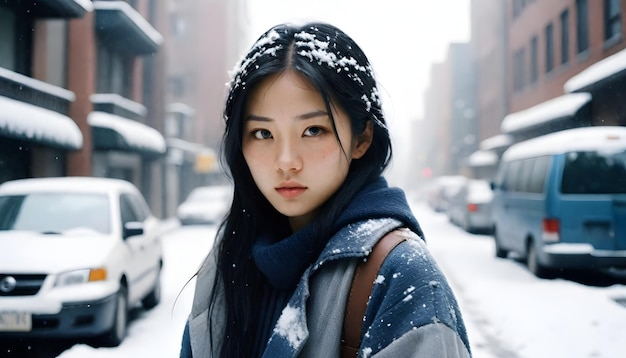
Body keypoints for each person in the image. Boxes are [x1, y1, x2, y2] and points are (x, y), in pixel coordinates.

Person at [180, 21, 471, 358]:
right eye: (262, 133)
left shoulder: (401, 274)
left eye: (314, 130)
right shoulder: (226, 262)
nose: (286, 161)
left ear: (361, 138)